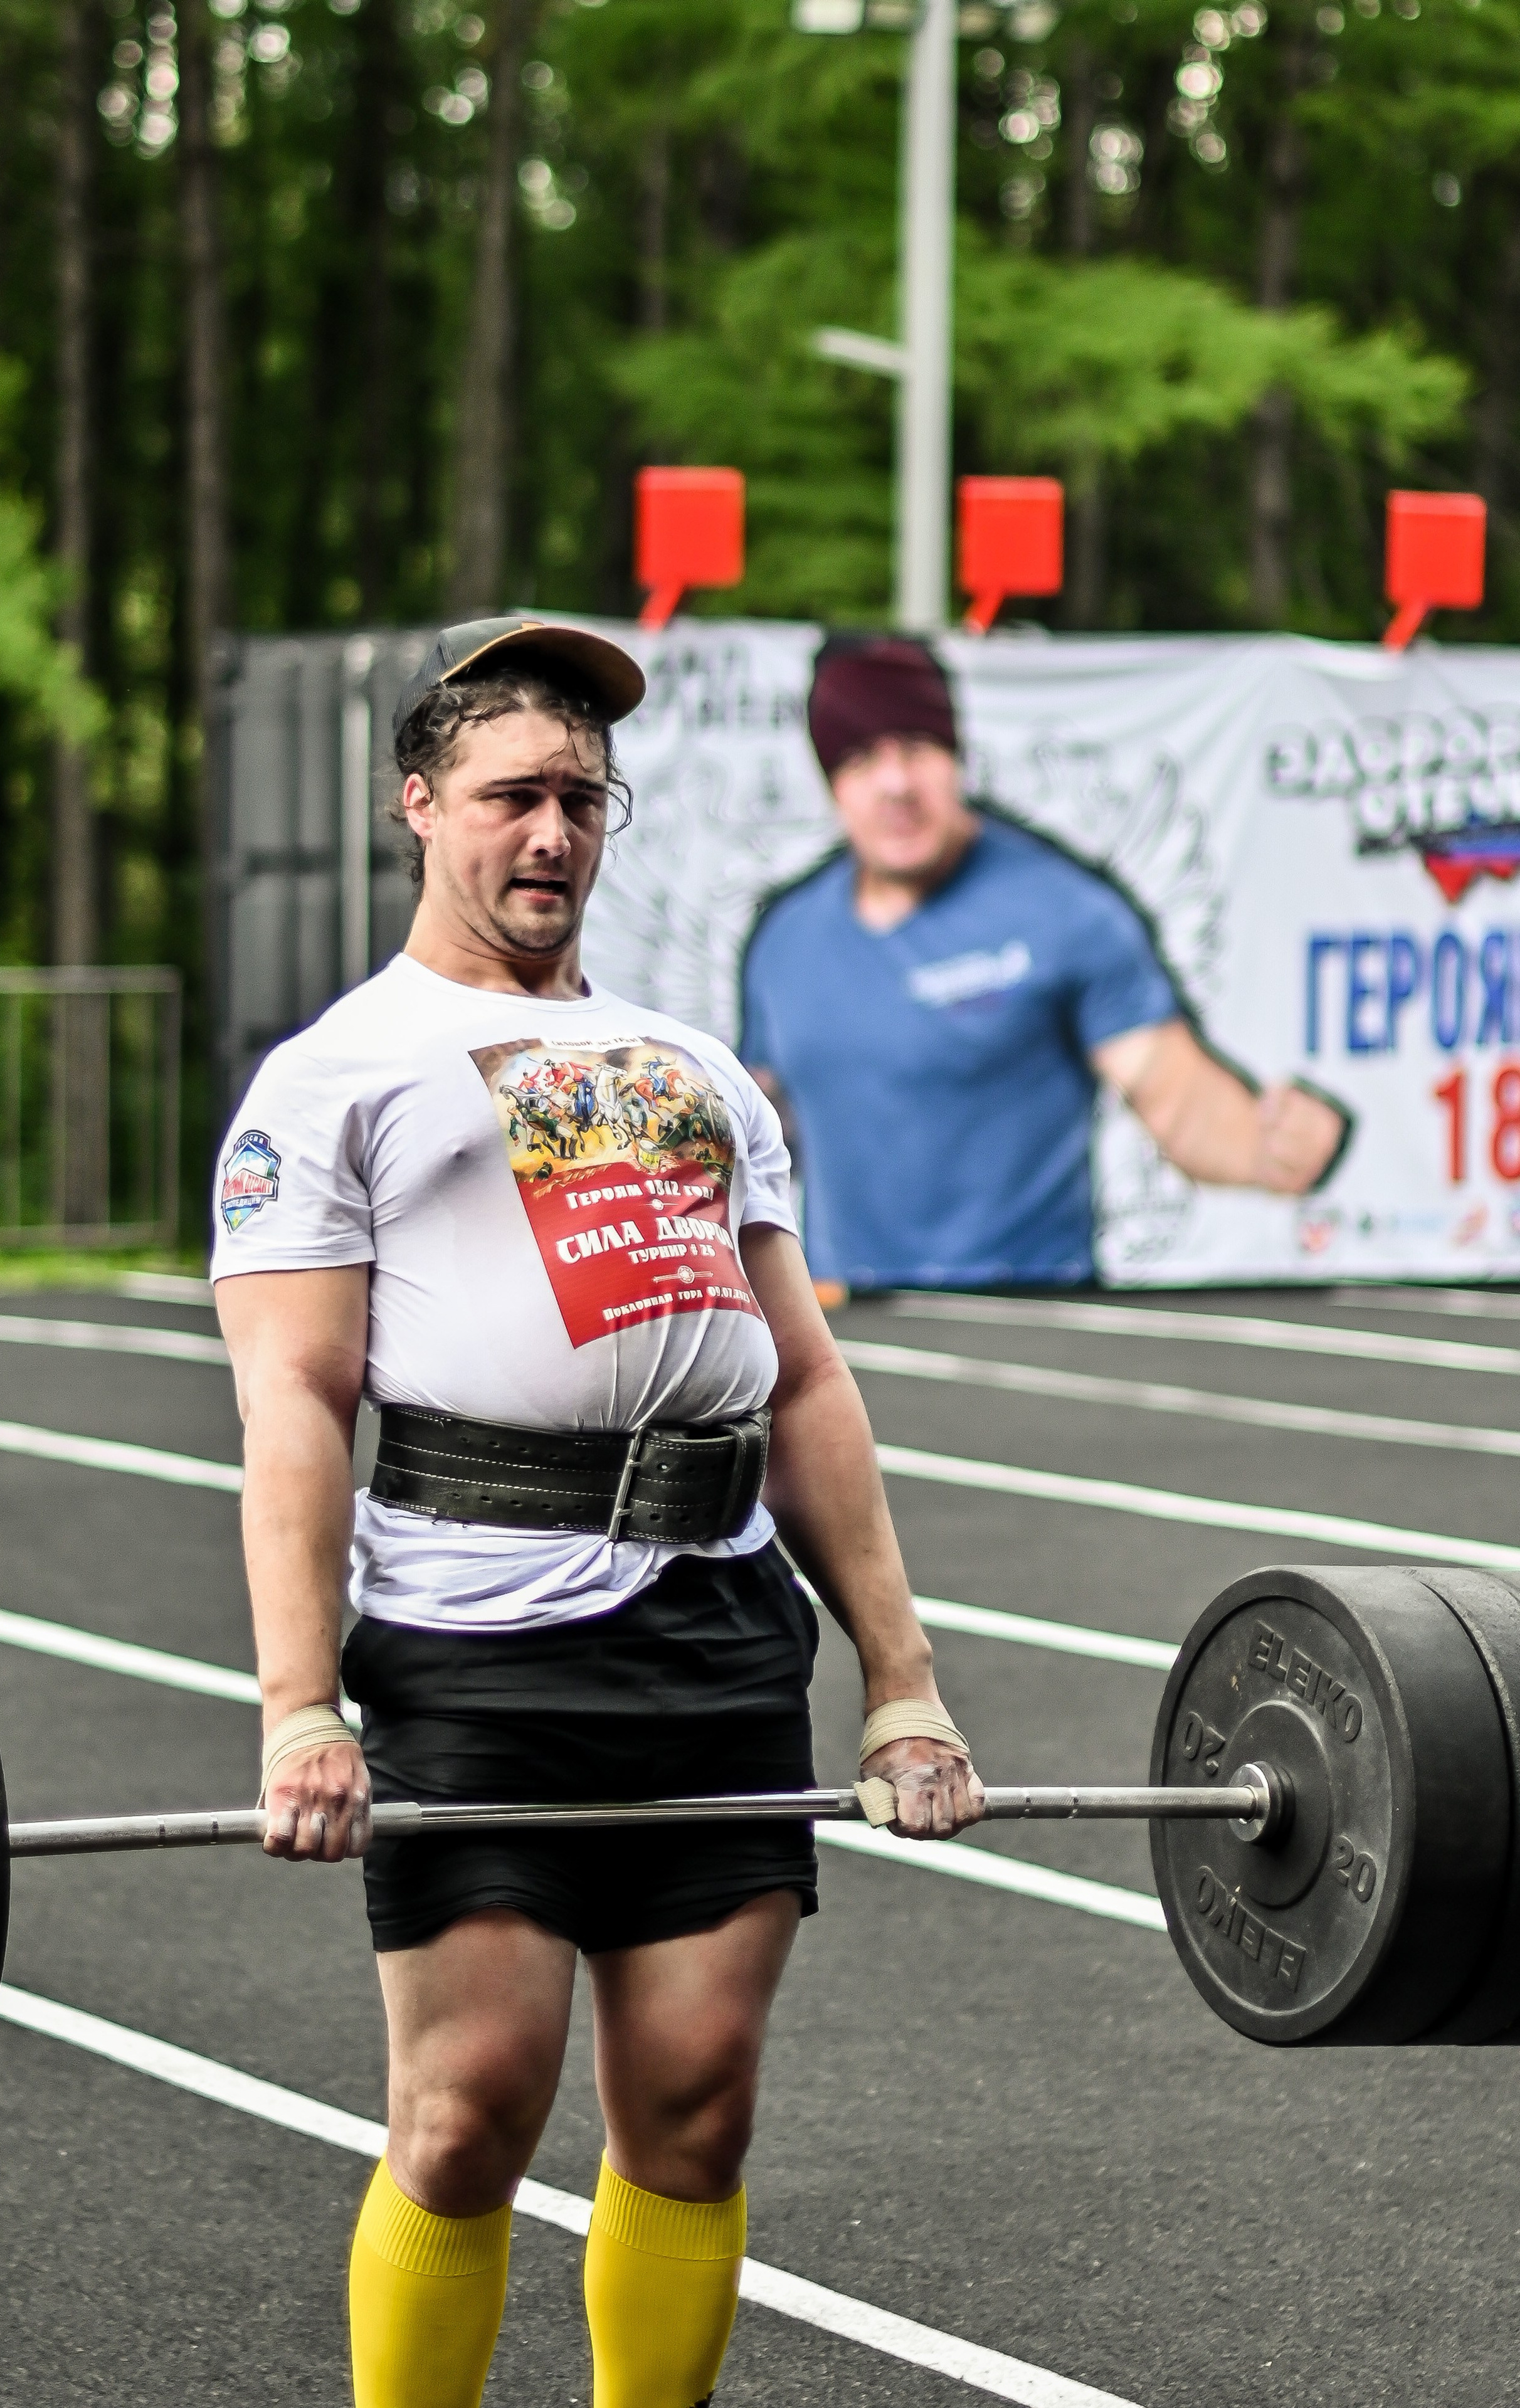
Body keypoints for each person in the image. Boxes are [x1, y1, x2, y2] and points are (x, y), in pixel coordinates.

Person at [210, 616, 984, 2408]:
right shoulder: (336, 1076)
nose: (551, 831)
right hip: (475, 1640)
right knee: (468, 2108)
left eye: (581, 796)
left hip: (715, 1625)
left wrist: (902, 1680)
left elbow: (805, 1384)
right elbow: (295, 1403)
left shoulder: (692, 1066)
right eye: (511, 795)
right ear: (420, 804)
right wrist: (299, 1705)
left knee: (698, 2106)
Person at [740, 634, 1349, 1293]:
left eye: (916, 748)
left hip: (1028, 1325)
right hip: (844, 1331)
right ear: (832, 785)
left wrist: (1267, 1147)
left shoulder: (1064, 910)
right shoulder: (784, 939)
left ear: (956, 756)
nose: (896, 784)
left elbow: (1172, 1095)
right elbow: (764, 1133)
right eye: (860, 760)